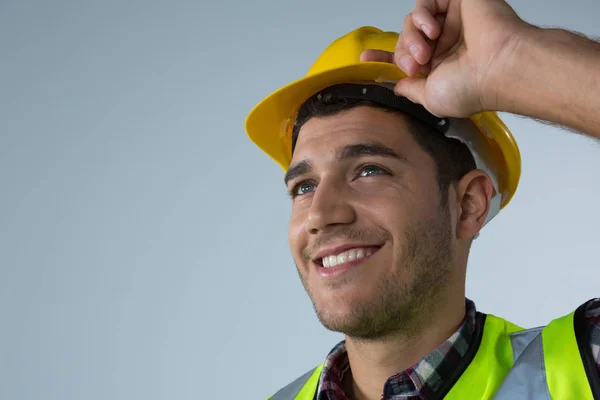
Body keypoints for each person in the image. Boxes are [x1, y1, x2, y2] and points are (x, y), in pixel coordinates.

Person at [244, 0, 600, 398]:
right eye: (304, 187)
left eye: (369, 170)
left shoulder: (582, 369)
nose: (321, 214)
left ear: (468, 204)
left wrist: (516, 60)